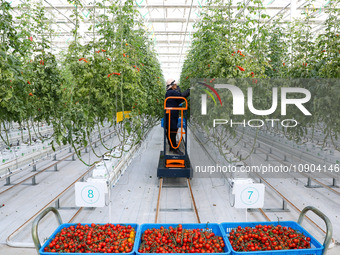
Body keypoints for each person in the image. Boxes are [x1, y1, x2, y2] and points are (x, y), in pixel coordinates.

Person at [164, 78, 190, 155]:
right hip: (171, 115)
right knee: (172, 130)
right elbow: (182, 96)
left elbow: (180, 100)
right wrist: (189, 90)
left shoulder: (170, 92)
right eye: (175, 85)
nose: (176, 86)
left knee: (171, 130)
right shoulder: (171, 92)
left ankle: (172, 147)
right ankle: (174, 148)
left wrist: (179, 90)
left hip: (172, 114)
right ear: (172, 86)